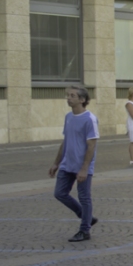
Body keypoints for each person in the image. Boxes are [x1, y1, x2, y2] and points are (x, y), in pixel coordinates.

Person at [48, 85, 100, 241]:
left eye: (72, 95)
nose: (68, 98)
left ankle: (85, 230)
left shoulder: (90, 119)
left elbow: (91, 145)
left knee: (84, 197)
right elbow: (65, 141)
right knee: (59, 193)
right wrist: (56, 163)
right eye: (68, 95)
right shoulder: (68, 117)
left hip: (82, 165)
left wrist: (84, 169)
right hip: (67, 164)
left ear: (82, 100)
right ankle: (86, 216)